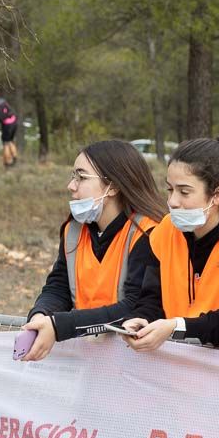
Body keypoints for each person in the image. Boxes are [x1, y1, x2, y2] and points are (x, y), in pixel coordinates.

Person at [20, 140, 166, 361]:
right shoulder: (73, 231)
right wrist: (41, 315)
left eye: (82, 177)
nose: (71, 185)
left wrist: (60, 325)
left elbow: (135, 306)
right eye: (73, 176)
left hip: (134, 360)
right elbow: (58, 286)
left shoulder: (148, 232)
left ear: (113, 186)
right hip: (87, 356)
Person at [120, 129, 219, 349]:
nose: (173, 201)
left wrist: (179, 326)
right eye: (170, 190)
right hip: (176, 362)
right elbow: (151, 297)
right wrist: (143, 319)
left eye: (184, 192)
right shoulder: (165, 230)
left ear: (218, 195)